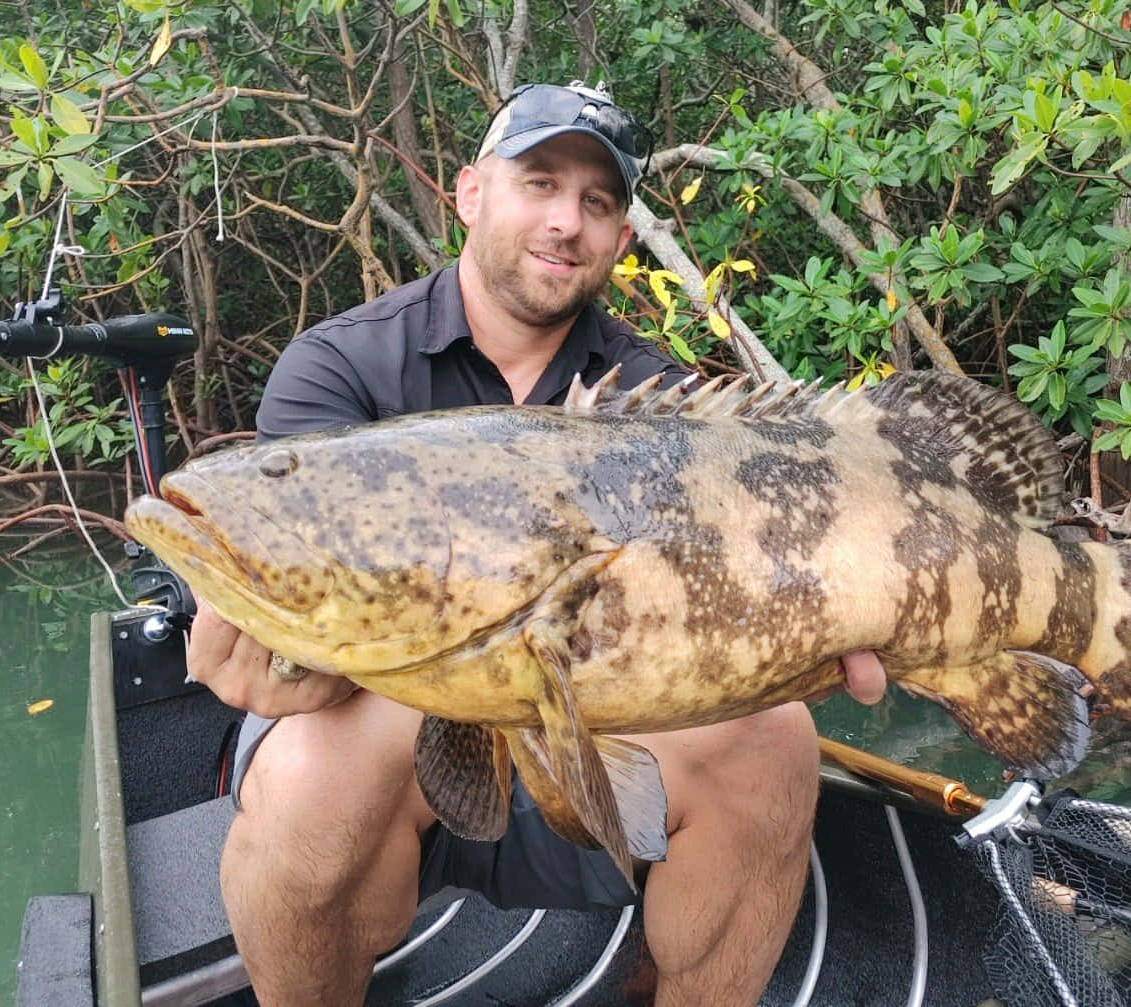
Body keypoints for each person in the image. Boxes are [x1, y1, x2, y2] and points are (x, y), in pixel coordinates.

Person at [187, 80, 888, 1007]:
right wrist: (272, 649)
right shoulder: (340, 366)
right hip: (395, 746)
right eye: (541, 182)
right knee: (311, 766)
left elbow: (724, 598)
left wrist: (825, 631)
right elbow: (297, 586)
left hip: (590, 748)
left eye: (598, 203)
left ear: (622, 242)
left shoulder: (655, 402)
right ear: (471, 192)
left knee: (778, 740)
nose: (567, 221)